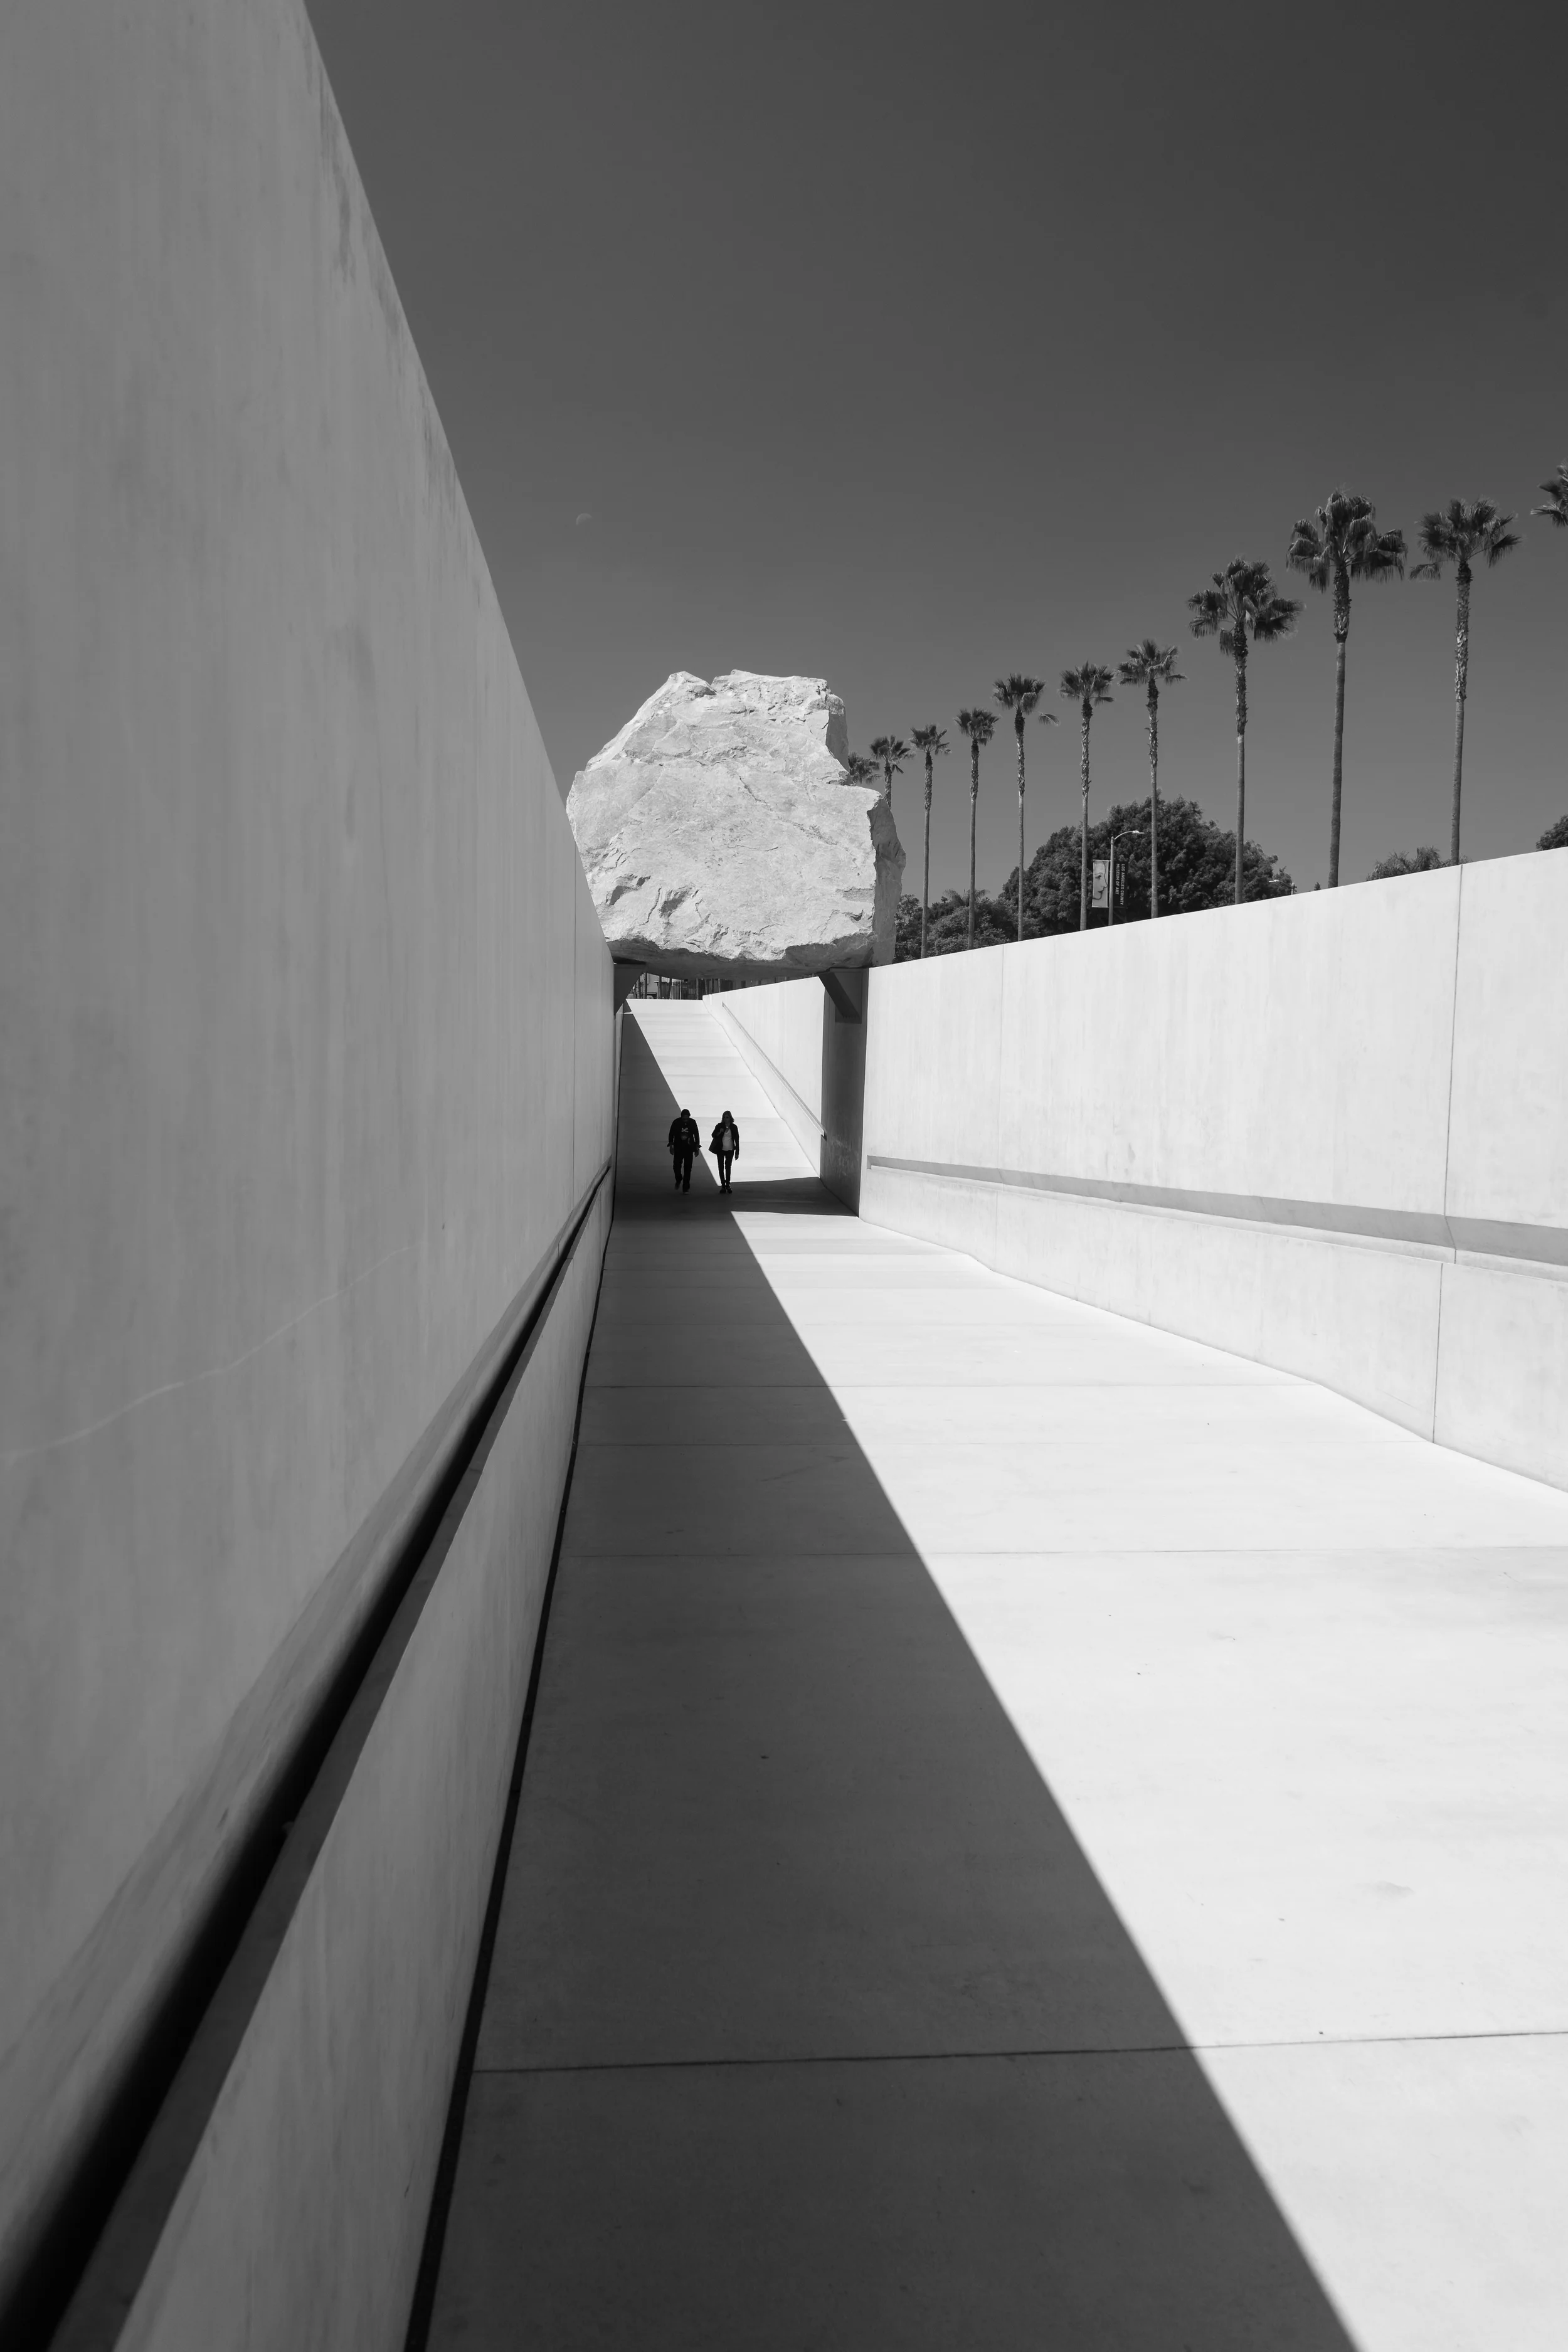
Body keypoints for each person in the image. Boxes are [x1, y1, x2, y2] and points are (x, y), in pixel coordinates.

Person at [667, 1107, 700, 1192]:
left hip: (689, 1149)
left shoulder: (692, 1122)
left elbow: (696, 1135)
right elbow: (671, 1134)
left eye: (687, 1119)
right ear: (681, 1117)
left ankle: (686, 1187)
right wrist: (671, 1146)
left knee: (688, 1168)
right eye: (684, 1119)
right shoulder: (676, 1122)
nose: (685, 1120)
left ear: (689, 1117)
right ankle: (679, 1178)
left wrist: (697, 1148)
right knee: (676, 1166)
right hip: (678, 1148)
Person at [709, 1109, 740, 1193]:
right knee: (721, 1167)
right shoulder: (719, 1126)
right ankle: (723, 1185)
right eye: (724, 1117)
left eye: (727, 1117)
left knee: (728, 1167)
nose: (726, 1119)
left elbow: (737, 1140)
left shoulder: (734, 1127)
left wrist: (737, 1152)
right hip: (720, 1149)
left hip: (730, 1150)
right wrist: (719, 1132)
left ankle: (728, 1185)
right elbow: (713, 1135)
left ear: (730, 1118)